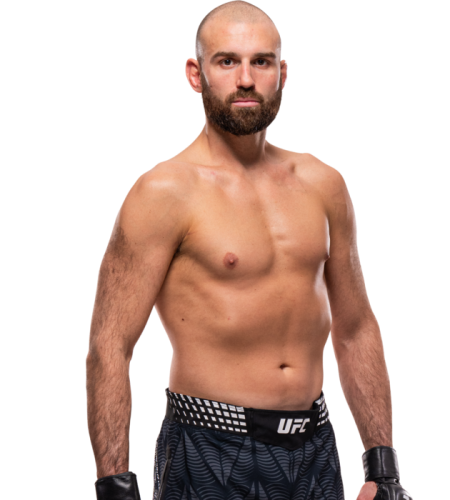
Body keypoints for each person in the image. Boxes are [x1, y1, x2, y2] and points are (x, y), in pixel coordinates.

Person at [85, 1, 414, 499]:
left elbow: (354, 327)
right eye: (227, 61)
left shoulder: (323, 183)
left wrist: (382, 467)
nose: (245, 79)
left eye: (261, 62)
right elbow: (110, 346)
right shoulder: (163, 193)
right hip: (209, 445)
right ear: (195, 74)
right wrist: (115, 486)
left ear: (282, 74)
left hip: (315, 446)